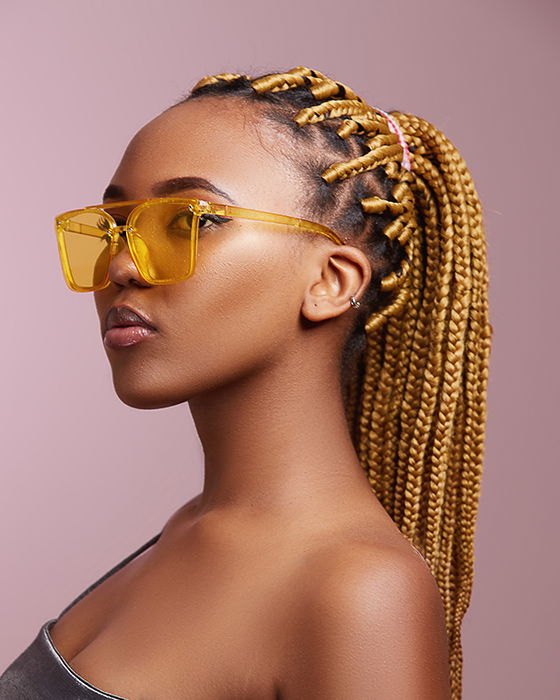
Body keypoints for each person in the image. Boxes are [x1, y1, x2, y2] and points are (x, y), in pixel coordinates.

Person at [0, 66, 492, 699]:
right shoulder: (188, 532)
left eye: (190, 222)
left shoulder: (357, 591)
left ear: (331, 282)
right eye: (115, 225)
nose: (122, 265)